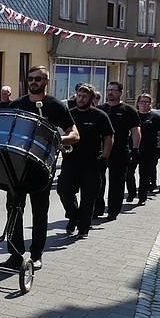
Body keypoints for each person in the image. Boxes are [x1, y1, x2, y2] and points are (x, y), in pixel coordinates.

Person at [1, 66, 79, 271]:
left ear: (46, 81)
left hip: (42, 166)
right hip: (17, 165)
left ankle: (36, 255)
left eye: (38, 79)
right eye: (30, 79)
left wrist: (58, 139)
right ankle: (15, 255)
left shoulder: (55, 106)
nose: (33, 82)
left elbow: (75, 134)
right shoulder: (17, 104)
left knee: (39, 212)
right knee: (13, 210)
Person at [56, 83, 113, 239]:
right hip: (71, 161)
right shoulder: (70, 114)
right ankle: (73, 216)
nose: (81, 99)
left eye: (84, 96)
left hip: (92, 162)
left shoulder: (100, 115)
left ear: (91, 98)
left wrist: (104, 157)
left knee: (88, 198)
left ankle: (83, 228)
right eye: (79, 96)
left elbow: (108, 138)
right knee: (64, 190)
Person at [96, 81, 140, 220]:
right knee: (97, 181)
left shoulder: (128, 110)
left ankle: (113, 210)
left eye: (114, 90)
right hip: (101, 151)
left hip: (120, 151)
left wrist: (135, 149)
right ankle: (97, 208)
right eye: (108, 90)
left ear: (120, 93)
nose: (110, 92)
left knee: (117, 183)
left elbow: (135, 131)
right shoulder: (100, 109)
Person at [130, 93, 160, 205]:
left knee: (144, 175)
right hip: (133, 149)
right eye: (142, 102)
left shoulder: (155, 117)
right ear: (138, 103)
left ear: (150, 103)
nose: (144, 104)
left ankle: (142, 197)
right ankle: (131, 192)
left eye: (147, 102)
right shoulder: (133, 115)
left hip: (149, 150)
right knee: (128, 173)